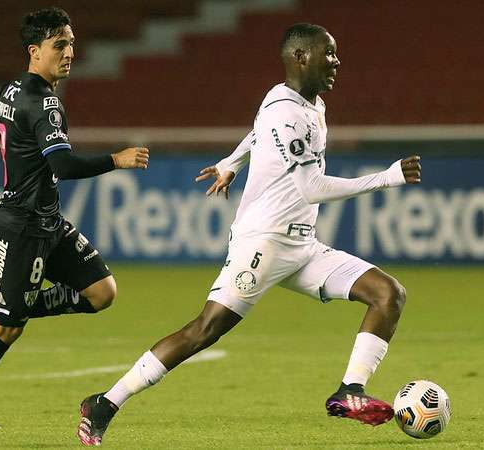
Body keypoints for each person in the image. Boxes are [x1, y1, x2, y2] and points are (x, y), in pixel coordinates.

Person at [76, 23, 421, 446]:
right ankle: (105, 403)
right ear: (300, 58)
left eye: (335, 54)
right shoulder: (286, 110)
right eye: (327, 53)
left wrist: (231, 163)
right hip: (263, 242)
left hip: (302, 246)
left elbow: (257, 134)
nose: (336, 61)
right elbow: (311, 187)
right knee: (204, 330)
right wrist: (384, 179)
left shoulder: (306, 104)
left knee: (389, 294)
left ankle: (349, 391)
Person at [0, 7, 149, 428]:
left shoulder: (8, 92)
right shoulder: (44, 103)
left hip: (48, 224)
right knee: (6, 330)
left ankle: (6, 305)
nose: (69, 53)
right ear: (34, 51)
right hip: (19, 228)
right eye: (59, 45)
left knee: (102, 292)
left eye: (72, 44)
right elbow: (61, 165)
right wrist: (116, 160)